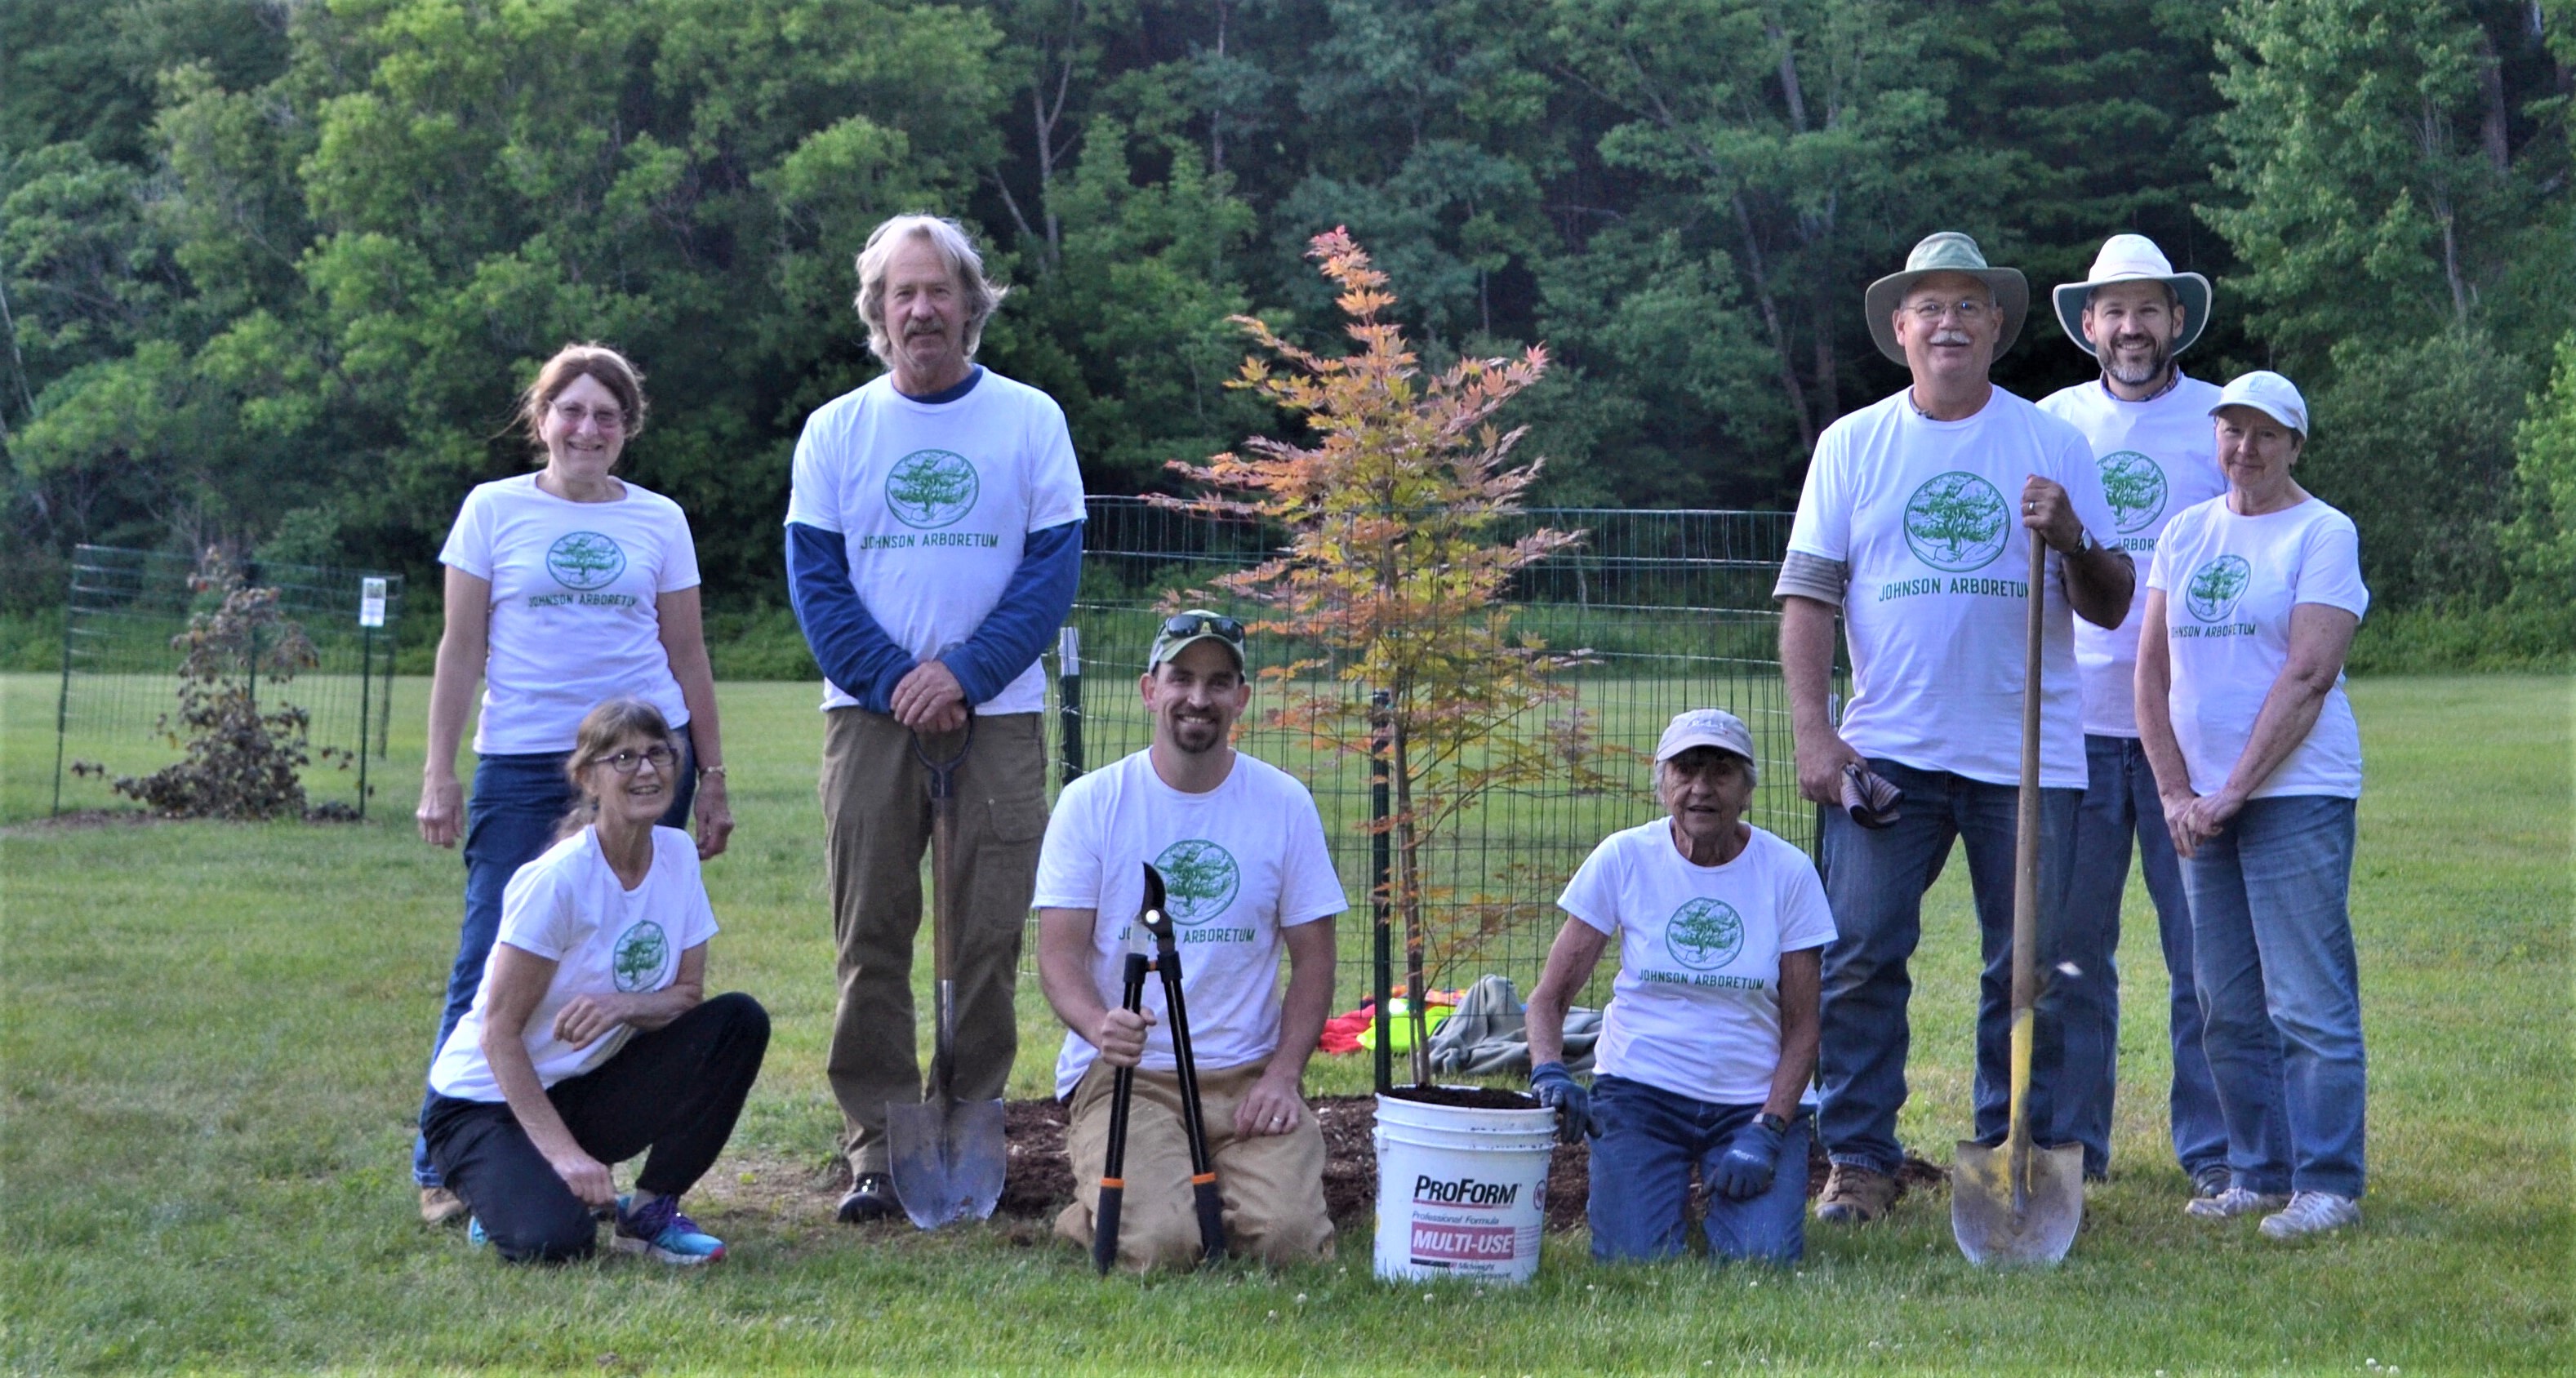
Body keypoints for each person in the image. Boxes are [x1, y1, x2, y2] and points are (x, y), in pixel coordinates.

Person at [1773, 231, 2133, 1225]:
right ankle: (1858, 1157)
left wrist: (2071, 538)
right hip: (1886, 748)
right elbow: (1806, 599)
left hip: (2030, 756)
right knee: (1858, 954)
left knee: (2031, 967)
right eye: (1926, 307)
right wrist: (1814, 733)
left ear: (1995, 330)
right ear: (1899, 331)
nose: (1946, 322)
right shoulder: (1852, 443)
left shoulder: (2051, 443)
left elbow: (2108, 603)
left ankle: (2014, 1154)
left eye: (1966, 306)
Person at [785, 213, 1085, 1223]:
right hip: (867, 721)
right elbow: (817, 582)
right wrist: (896, 680)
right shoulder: (836, 429)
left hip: (996, 718)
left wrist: (963, 671)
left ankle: (969, 1120)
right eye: (900, 294)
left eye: (938, 290)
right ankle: (877, 1141)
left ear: (970, 302)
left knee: (987, 934)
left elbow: (1050, 571)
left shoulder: (1029, 418)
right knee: (870, 930)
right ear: (877, 312)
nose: (921, 309)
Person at [413, 343, 732, 1226]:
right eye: (571, 409)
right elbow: (460, 647)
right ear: (541, 416)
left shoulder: (659, 520)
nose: (587, 427)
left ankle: (583, 1132)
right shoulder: (492, 510)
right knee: (493, 950)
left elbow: (689, 652)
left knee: (629, 951)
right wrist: (440, 771)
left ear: (627, 428)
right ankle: (442, 1161)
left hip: (641, 759)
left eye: (607, 414)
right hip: (523, 761)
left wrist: (710, 777)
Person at [2035, 234, 2287, 1193]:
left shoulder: (2219, 421)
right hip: (2073, 725)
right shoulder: (2052, 420)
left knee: (2205, 954)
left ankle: (2218, 1150)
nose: (2130, 327)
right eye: (2112, 310)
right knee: (2070, 954)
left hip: (2187, 732)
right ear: (2087, 325)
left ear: (2175, 320)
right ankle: (2071, 1150)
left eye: (2148, 309)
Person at [2136, 371, 2370, 1241]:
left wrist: (2233, 788)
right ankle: (2255, 1169)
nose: (2246, 447)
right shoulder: (2183, 531)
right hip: (2199, 802)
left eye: (2266, 433)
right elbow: (2149, 672)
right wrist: (2172, 789)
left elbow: (2307, 672)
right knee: (2223, 998)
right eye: (2231, 430)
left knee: (2305, 997)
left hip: (2293, 793)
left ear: (2294, 445)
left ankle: (2327, 1179)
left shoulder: (2320, 532)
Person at [1034, 612, 1341, 1270]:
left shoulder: (1284, 803)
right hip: (1129, 1080)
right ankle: (1134, 1211)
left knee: (1292, 1245)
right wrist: (1098, 1025)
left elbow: (1314, 958)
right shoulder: (1091, 803)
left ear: (1241, 699)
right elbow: (1057, 955)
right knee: (1160, 1250)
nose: (1198, 699)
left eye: (1218, 682)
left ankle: (1206, 1199)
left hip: (1247, 1078)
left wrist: (1285, 1075)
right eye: (1181, 679)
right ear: (1150, 690)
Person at [422, 698, 769, 1265]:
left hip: (579, 1085)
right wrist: (566, 1158)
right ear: (587, 778)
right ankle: (506, 1193)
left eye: (658, 753)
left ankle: (650, 1213)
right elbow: (498, 1034)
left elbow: (687, 995)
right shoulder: (557, 881)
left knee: (738, 1022)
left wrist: (620, 1006)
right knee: (554, 1244)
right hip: (482, 1104)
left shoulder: (677, 856)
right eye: (624, 757)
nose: (647, 770)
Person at [1524, 709, 1835, 1264]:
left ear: (1746, 791)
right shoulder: (1624, 858)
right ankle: (1658, 1194)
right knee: (1631, 1262)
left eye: (1720, 772)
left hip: (1749, 1100)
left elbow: (1804, 1025)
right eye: (1685, 770)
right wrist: (1548, 1070)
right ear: (1661, 783)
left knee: (1760, 1262)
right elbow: (1548, 999)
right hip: (1639, 1095)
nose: (1700, 788)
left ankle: (1729, 1193)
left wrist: (1769, 1127)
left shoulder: (1787, 873)